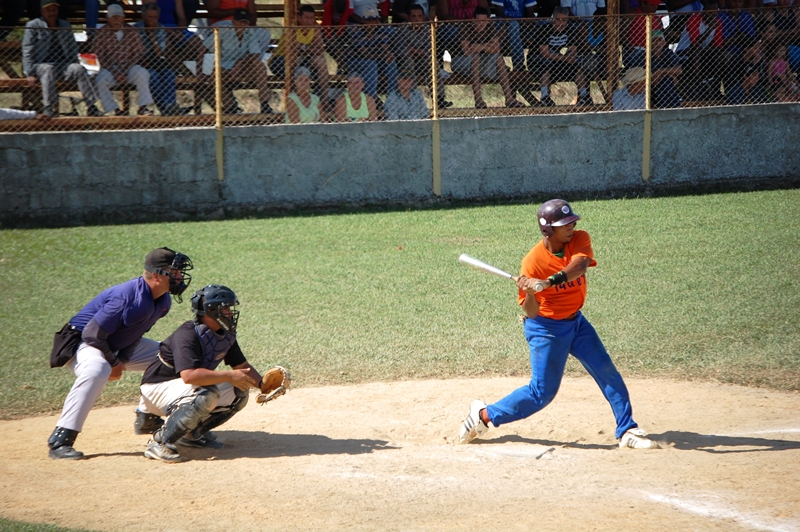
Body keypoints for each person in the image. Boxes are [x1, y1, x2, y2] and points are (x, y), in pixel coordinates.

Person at [458, 199, 658, 450]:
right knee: (542, 393)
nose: (572, 225)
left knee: (607, 371)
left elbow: (580, 266)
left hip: (577, 323)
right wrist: (529, 291)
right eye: (565, 224)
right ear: (548, 230)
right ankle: (484, 416)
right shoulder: (532, 262)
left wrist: (549, 282)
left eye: (572, 221)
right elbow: (531, 312)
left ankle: (627, 429)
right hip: (546, 329)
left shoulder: (579, 239)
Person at [47, 247, 193, 460]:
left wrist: (123, 358)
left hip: (112, 343)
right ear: (156, 275)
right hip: (80, 342)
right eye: (175, 272)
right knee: (98, 370)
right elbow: (92, 334)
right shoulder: (126, 297)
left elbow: (134, 334)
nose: (180, 277)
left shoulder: (163, 301)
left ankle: (147, 416)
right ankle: (61, 438)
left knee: (173, 358)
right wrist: (114, 362)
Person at [139, 284, 264, 463]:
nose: (230, 312)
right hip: (156, 389)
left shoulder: (223, 334)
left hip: (183, 390)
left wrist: (263, 384)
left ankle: (191, 435)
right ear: (210, 310)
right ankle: (159, 441)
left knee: (239, 391)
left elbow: (242, 366)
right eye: (226, 308)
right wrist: (228, 376)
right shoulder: (187, 334)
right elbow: (189, 376)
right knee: (207, 394)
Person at [22, 0, 103, 117]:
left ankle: (91, 106)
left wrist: (73, 64)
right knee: (48, 68)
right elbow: (27, 50)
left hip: (63, 65)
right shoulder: (33, 25)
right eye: (48, 10)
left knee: (79, 68)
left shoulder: (65, 25)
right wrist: (28, 73)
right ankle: (49, 107)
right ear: (42, 12)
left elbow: (73, 48)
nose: (52, 12)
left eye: (54, 9)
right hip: (41, 66)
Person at [200, 8, 273, 114]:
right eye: (239, 22)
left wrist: (240, 63)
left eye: (245, 23)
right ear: (233, 22)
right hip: (224, 67)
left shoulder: (250, 32)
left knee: (259, 65)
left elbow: (255, 54)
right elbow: (203, 47)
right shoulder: (223, 31)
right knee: (214, 78)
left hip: (243, 68)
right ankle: (231, 107)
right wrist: (200, 70)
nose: (242, 25)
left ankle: (265, 104)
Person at [451, 6, 526, 108]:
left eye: (484, 21)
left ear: (488, 20)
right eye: (478, 21)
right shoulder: (465, 27)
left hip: (479, 62)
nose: (481, 24)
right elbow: (467, 51)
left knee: (498, 57)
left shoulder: (490, 27)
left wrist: (481, 46)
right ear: (473, 20)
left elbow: (496, 49)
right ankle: (478, 100)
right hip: (460, 61)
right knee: (476, 57)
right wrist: (487, 46)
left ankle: (509, 99)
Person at [92, 4, 155, 116]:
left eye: (118, 17)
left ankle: (143, 107)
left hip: (129, 67)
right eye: (113, 17)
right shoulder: (101, 33)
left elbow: (139, 54)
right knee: (100, 80)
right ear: (107, 18)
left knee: (142, 73)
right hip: (110, 69)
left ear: (123, 18)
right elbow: (99, 57)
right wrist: (116, 72)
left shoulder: (131, 31)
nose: (116, 20)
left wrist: (125, 70)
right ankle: (115, 109)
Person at [269, 5, 333, 111]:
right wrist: (309, 48)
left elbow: (320, 50)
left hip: (301, 60)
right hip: (280, 61)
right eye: (306, 18)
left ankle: (323, 101)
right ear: (299, 18)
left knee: (320, 61)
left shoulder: (315, 27)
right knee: (294, 58)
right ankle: (295, 102)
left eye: (312, 18)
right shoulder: (293, 27)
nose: (309, 21)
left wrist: (303, 46)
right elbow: (292, 49)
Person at [393, 3, 453, 108]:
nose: (417, 19)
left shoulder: (428, 30)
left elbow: (430, 51)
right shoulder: (402, 29)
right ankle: (414, 98)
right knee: (409, 61)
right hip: (405, 63)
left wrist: (413, 50)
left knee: (432, 62)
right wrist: (417, 52)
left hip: (422, 61)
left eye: (419, 16)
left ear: (423, 17)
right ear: (409, 18)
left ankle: (439, 99)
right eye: (414, 16)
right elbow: (400, 51)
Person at [533, 6, 592, 106]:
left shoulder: (570, 30)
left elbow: (573, 49)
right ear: (553, 19)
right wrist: (564, 58)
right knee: (546, 64)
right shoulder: (544, 29)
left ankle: (584, 95)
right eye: (558, 20)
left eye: (564, 20)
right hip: (537, 59)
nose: (561, 23)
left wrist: (570, 56)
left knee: (577, 67)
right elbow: (544, 52)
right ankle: (544, 97)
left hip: (556, 59)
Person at [134, 3, 185, 116]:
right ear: (143, 16)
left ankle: (169, 105)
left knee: (169, 74)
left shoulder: (160, 28)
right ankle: (166, 109)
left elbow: (160, 53)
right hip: (141, 64)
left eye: (155, 17)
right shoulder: (136, 29)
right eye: (150, 17)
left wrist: (152, 36)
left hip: (157, 62)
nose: (153, 20)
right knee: (153, 77)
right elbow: (138, 53)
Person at [347, 4, 398, 104]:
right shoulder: (356, 31)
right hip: (355, 62)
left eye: (374, 19)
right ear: (363, 20)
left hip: (375, 59)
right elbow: (364, 53)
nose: (371, 23)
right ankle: (371, 99)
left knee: (391, 64)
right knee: (371, 63)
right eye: (369, 19)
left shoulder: (381, 30)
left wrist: (388, 54)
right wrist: (383, 56)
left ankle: (391, 99)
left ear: (377, 20)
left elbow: (384, 47)